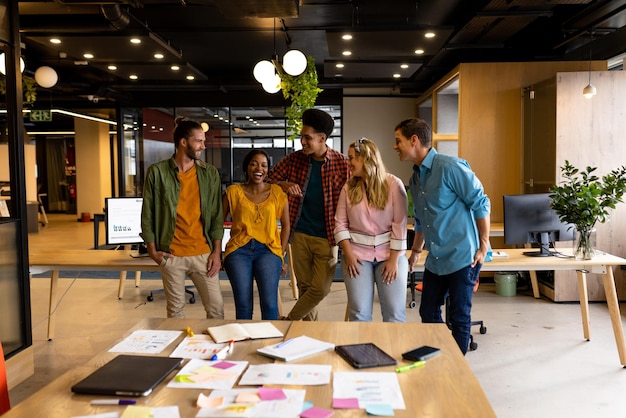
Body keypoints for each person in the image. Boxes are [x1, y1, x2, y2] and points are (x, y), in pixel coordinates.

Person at [394, 117, 490, 354]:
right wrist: (415, 252)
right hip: (436, 259)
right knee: (428, 311)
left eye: (398, 141)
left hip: (462, 256)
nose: (395, 146)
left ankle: (455, 368)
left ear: (414, 140)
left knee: (459, 316)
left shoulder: (450, 167)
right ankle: (440, 355)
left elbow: (481, 201)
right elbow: (421, 220)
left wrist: (484, 244)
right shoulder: (415, 179)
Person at [268, 108, 350, 321]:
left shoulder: (342, 164)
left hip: (327, 237)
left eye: (308, 138)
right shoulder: (294, 160)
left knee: (320, 289)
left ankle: (290, 320)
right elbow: (266, 181)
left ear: (322, 138)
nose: (302, 142)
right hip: (301, 235)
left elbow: (355, 198)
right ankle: (307, 331)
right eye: (302, 137)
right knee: (305, 287)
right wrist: (284, 184)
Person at [141, 117, 224, 319]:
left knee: (216, 308)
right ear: (183, 142)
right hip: (172, 254)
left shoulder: (209, 173)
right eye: (199, 141)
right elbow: (148, 213)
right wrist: (152, 250)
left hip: (203, 253)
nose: (203, 146)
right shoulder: (157, 172)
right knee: (175, 312)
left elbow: (216, 215)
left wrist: (216, 252)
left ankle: (213, 350)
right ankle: (180, 351)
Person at [334, 137, 408, 322]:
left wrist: (393, 261)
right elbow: (340, 224)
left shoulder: (393, 184)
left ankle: (392, 350)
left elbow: (400, 224)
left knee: (394, 313)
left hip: (391, 256)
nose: (348, 163)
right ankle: (361, 351)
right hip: (356, 257)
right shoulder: (348, 188)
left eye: (352, 158)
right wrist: (348, 254)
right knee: (359, 313)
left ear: (366, 159)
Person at [222, 149, 290, 320]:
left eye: (264, 165)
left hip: (268, 250)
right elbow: (217, 223)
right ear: (246, 168)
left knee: (270, 304)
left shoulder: (277, 192)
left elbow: (287, 225)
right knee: (243, 305)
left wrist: (280, 255)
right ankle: (245, 343)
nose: (259, 168)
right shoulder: (233, 192)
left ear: (268, 170)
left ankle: (271, 344)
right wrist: (218, 251)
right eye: (254, 163)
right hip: (238, 251)